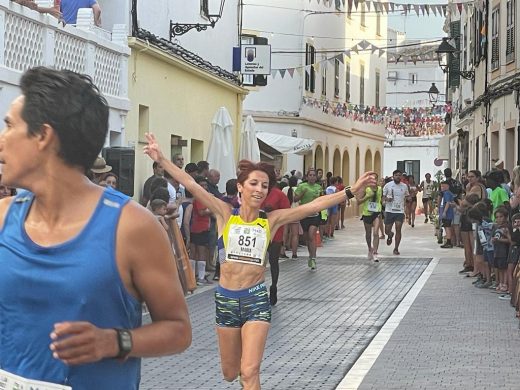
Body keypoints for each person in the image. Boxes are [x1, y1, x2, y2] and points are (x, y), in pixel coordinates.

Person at [0, 67, 191, 389]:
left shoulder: (131, 227)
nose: (2, 138)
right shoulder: (4, 218)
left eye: (9, 125)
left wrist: (115, 342)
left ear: (43, 136)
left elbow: (178, 329)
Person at [144, 133, 375, 390]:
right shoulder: (224, 213)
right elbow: (192, 184)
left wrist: (351, 192)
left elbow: (313, 206)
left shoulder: (270, 219)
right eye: (254, 183)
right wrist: (161, 158)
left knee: (250, 370)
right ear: (241, 187)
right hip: (227, 300)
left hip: (256, 299)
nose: (259, 189)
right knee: (231, 373)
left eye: (264, 186)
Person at [294, 168, 324, 270]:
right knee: (307, 238)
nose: (312, 177)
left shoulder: (319, 187)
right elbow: (295, 199)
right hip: (304, 215)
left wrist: (319, 200)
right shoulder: (302, 186)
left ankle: (313, 258)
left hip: (315, 215)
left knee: (312, 235)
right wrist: (303, 193)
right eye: (310, 175)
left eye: (313, 175)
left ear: (316, 177)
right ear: (307, 177)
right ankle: (310, 255)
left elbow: (322, 200)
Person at [383, 169, 409, 255]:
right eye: (396, 175)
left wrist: (409, 198)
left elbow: (407, 196)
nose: (398, 177)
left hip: (399, 211)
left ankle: (396, 248)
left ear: (401, 177)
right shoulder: (387, 185)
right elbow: (382, 198)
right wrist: (387, 199)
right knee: (387, 230)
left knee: (398, 229)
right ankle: (390, 235)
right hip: (389, 210)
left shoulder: (404, 186)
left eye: (399, 175)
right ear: (393, 176)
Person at [358, 174, 383, 261]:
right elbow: (358, 201)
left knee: (376, 233)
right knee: (368, 234)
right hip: (367, 213)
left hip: (376, 213)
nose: (373, 181)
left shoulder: (380, 189)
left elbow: (380, 200)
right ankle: (370, 248)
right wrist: (367, 196)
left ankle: (375, 252)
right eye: (371, 179)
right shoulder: (365, 188)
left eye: (375, 179)